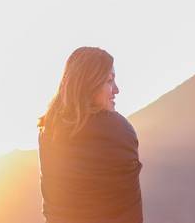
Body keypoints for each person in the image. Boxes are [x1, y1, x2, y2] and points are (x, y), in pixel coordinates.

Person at [37, 46, 143, 223]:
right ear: (90, 84)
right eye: (109, 81)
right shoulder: (119, 130)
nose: (116, 90)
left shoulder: (48, 131)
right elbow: (130, 208)